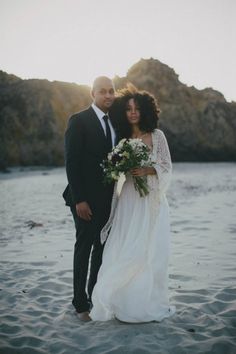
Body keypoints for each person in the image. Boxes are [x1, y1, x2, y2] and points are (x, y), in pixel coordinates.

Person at [90, 86, 175, 322]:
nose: (133, 112)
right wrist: (121, 168)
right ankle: (122, 300)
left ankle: (144, 302)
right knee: (126, 245)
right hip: (128, 199)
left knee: (148, 250)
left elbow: (167, 166)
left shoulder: (157, 136)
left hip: (149, 200)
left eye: (137, 108)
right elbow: (115, 169)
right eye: (128, 109)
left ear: (145, 110)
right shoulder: (122, 137)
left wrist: (147, 169)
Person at [63, 76, 116, 321]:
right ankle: (80, 303)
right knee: (84, 247)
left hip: (108, 198)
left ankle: (94, 296)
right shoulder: (79, 120)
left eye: (111, 91)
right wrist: (79, 200)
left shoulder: (115, 123)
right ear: (93, 94)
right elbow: (71, 163)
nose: (107, 96)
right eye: (102, 92)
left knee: (101, 248)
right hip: (83, 199)